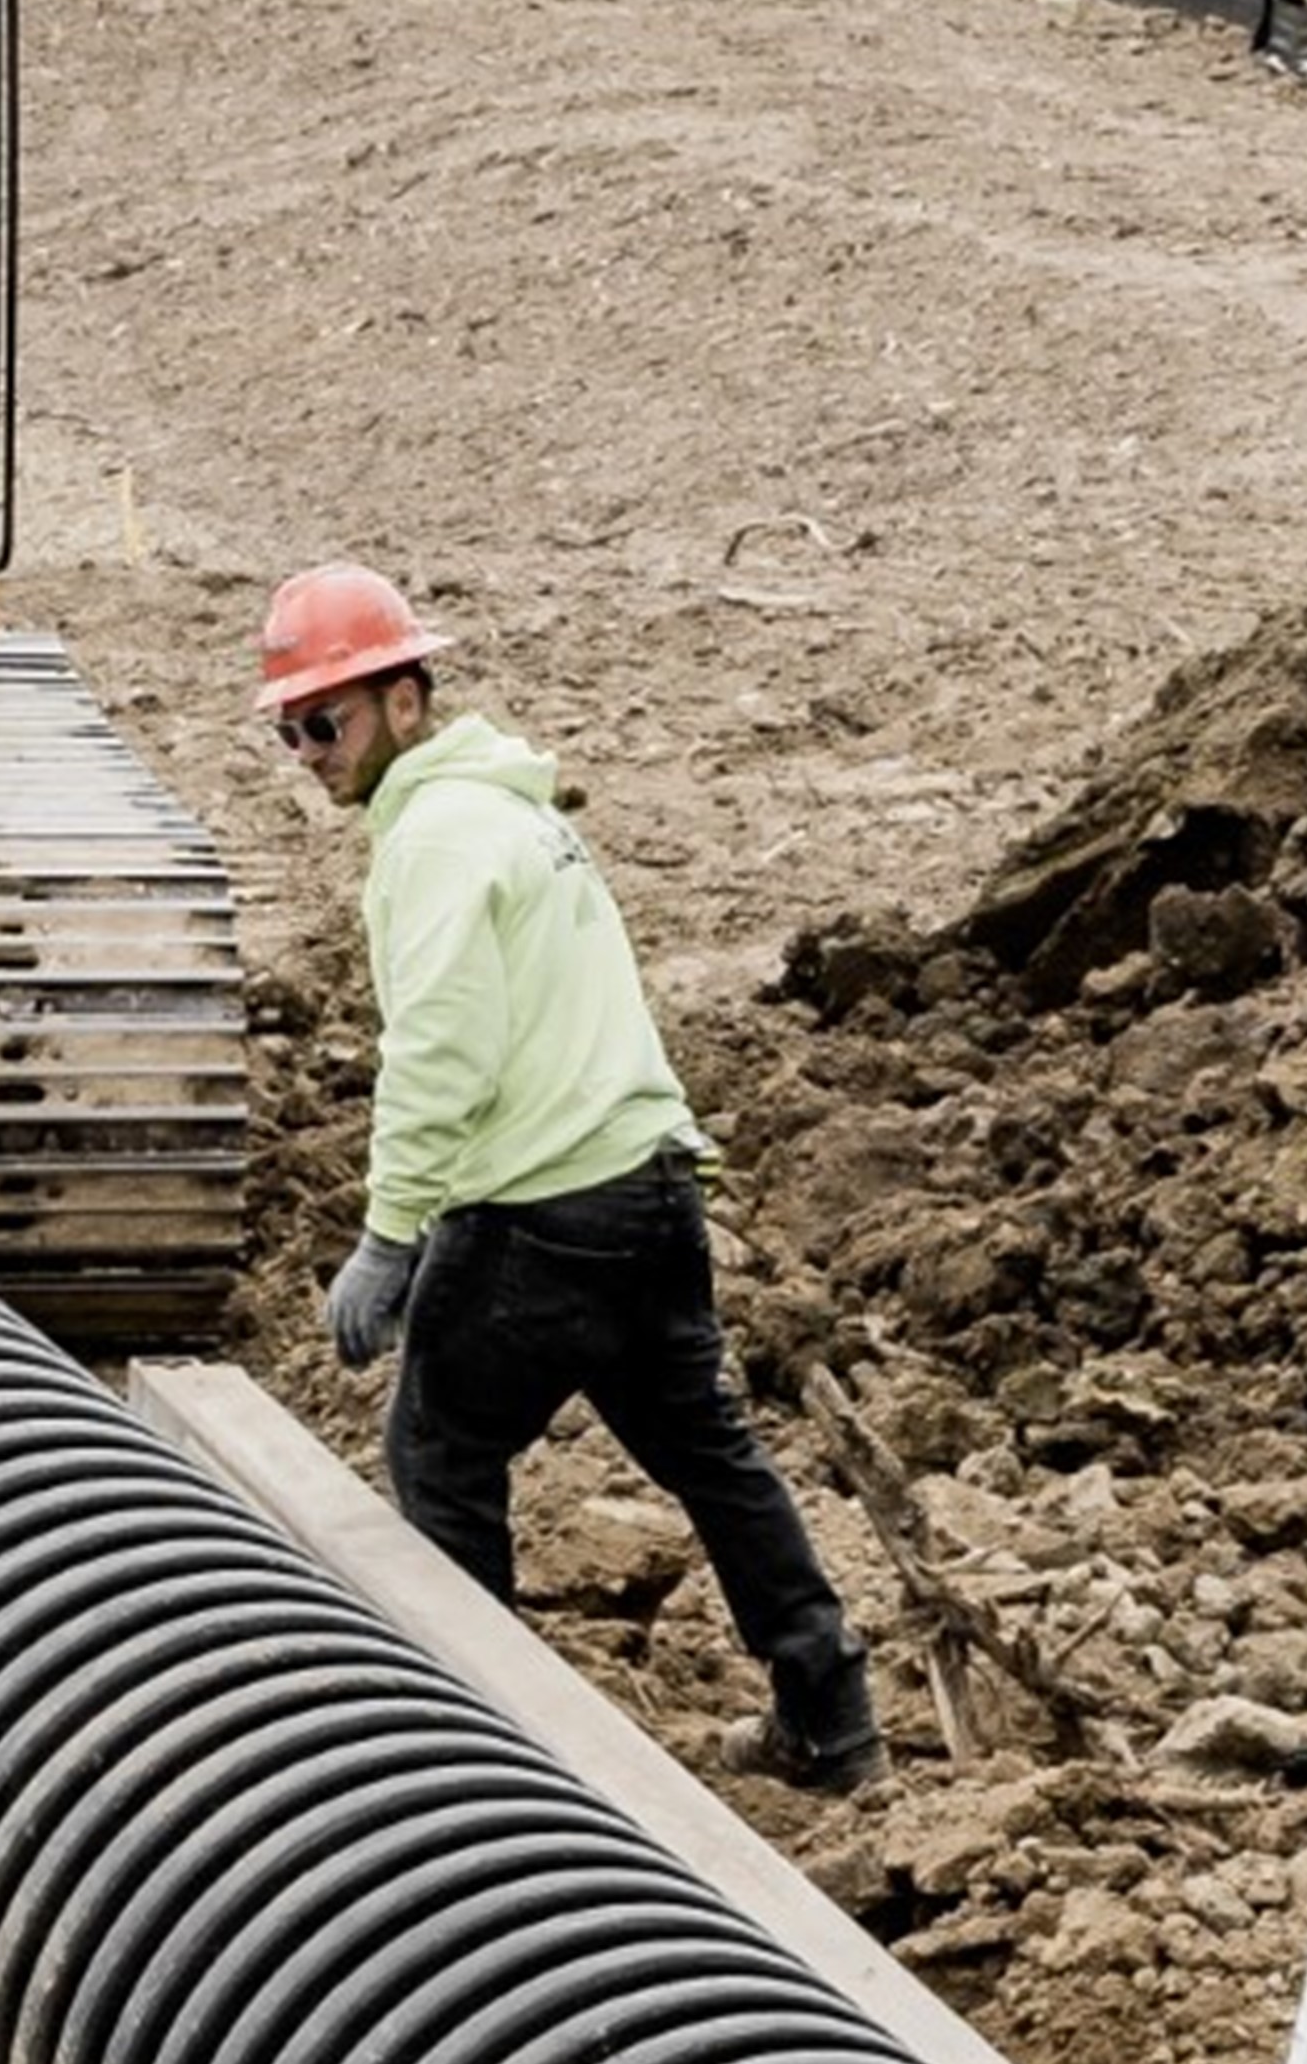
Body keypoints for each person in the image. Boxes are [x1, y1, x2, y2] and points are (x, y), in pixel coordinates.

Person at [260, 563, 877, 1790]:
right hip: (650, 1194)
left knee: (442, 1455)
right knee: (710, 1452)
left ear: (406, 702)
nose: (308, 751)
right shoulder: (521, 815)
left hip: (540, 1214)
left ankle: (486, 1768)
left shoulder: (434, 838)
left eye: (325, 722)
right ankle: (831, 1717)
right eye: (289, 730)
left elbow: (442, 1050)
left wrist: (392, 1239)